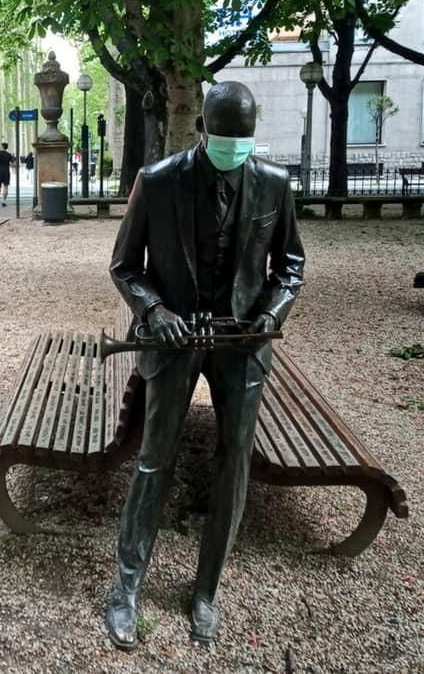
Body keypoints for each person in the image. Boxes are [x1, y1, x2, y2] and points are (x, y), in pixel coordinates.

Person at [105, 81, 305, 650]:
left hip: (243, 344)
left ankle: (206, 590)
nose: (233, 149)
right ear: (202, 132)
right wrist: (154, 309)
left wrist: (271, 311)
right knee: (153, 459)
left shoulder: (273, 184)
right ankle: (126, 588)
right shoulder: (159, 180)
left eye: (243, 141)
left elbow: (290, 265)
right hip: (173, 341)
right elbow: (124, 266)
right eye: (223, 139)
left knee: (234, 460)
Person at [0, 142, 15, 207]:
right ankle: (4, 201)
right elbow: (13, 163)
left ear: (2, 147)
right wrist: (13, 169)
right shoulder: (9, 155)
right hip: (6, 171)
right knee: (6, 186)